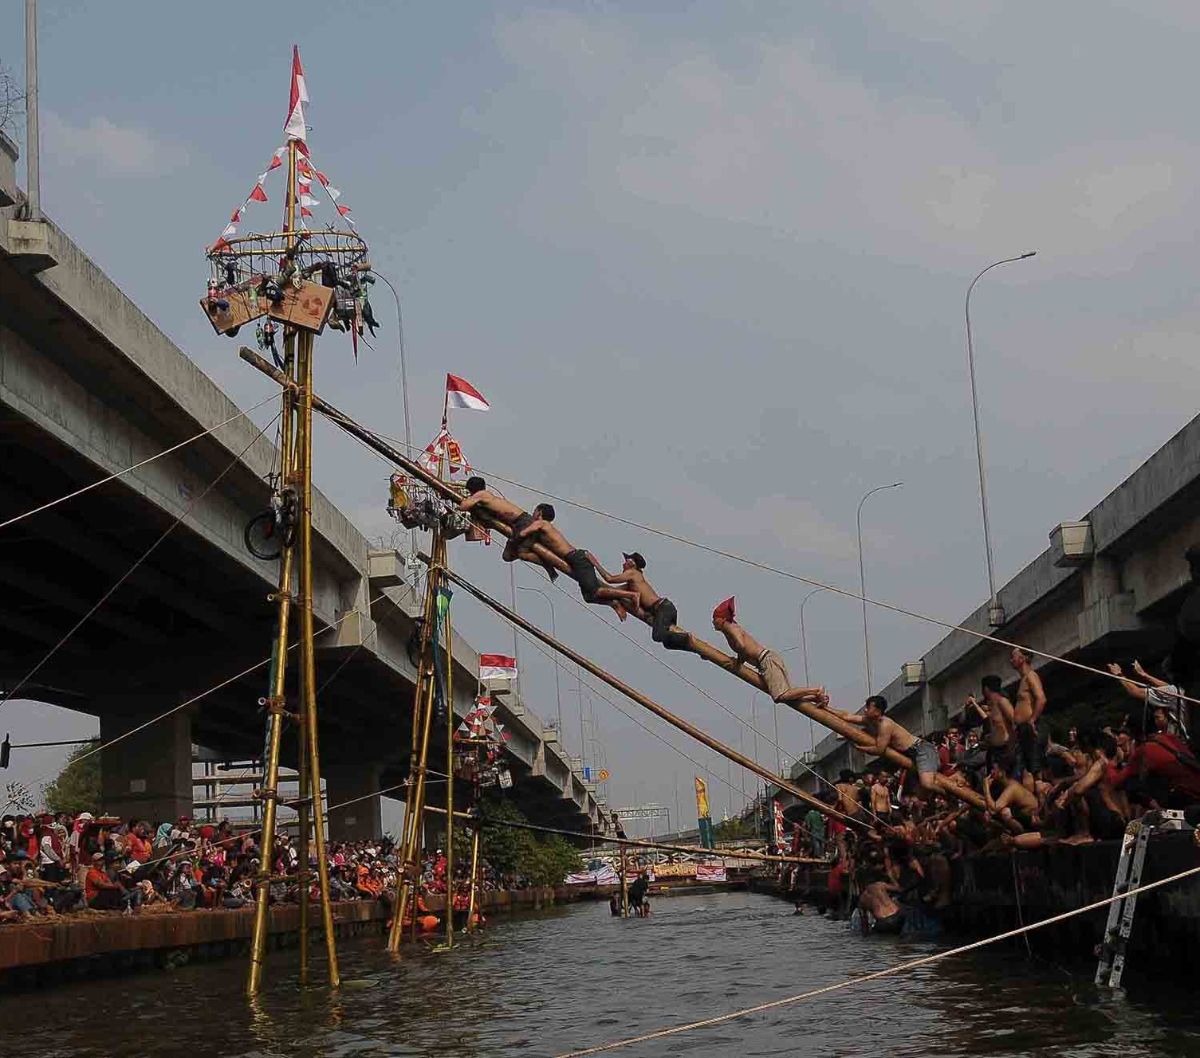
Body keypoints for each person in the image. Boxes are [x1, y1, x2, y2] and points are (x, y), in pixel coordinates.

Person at [516, 507, 641, 618]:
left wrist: (515, 537)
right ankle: (613, 603)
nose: (532, 514)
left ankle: (631, 595)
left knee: (595, 591)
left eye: (534, 511)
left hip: (577, 558)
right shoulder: (545, 529)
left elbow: (524, 532)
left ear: (539, 512)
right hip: (574, 560)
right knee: (588, 597)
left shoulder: (542, 524)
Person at [710, 597, 826, 707]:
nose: (713, 621)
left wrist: (738, 661)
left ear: (723, 619)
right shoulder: (729, 629)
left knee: (781, 695)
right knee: (784, 695)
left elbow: (742, 645)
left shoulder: (731, 628)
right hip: (766, 660)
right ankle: (814, 698)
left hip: (766, 660)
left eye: (715, 619)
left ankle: (816, 691)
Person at [828, 696, 939, 796]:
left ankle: (950, 794)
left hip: (921, 750)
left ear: (877, 711)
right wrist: (826, 708)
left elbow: (879, 750)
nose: (865, 710)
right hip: (911, 754)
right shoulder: (870, 721)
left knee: (927, 785)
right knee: (921, 794)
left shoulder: (885, 724)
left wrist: (861, 748)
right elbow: (846, 716)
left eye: (868, 707)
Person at [459, 478, 560, 581]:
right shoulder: (484, 498)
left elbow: (463, 506)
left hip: (522, 522)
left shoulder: (482, 495)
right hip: (516, 525)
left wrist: (460, 502)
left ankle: (548, 565)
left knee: (523, 554)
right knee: (507, 556)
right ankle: (540, 557)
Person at [591, 552, 691, 650]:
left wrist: (595, 564)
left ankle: (687, 638)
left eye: (626, 561)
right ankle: (692, 646)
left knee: (657, 636)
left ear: (632, 564)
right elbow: (612, 591)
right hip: (665, 609)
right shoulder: (631, 584)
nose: (623, 564)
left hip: (663, 608)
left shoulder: (633, 573)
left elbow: (610, 579)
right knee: (667, 643)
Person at [1108, 658, 1189, 738]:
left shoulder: (1173, 692)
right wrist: (1144, 675)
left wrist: (1118, 674)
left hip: (1182, 742)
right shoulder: (1180, 691)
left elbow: (1135, 691)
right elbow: (1167, 686)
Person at [1010, 649, 1047, 790]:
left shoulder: (1031, 676)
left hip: (1031, 727)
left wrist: (1032, 720)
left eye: (1013, 656)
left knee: (1036, 770)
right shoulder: (1023, 680)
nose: (1011, 660)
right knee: (1027, 771)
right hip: (1023, 729)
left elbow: (1041, 699)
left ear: (1023, 658)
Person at [971, 676, 1015, 772]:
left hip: (1006, 750)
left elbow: (1014, 722)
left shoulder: (1002, 702)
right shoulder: (991, 706)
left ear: (986, 689)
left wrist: (1012, 748)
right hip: (995, 751)